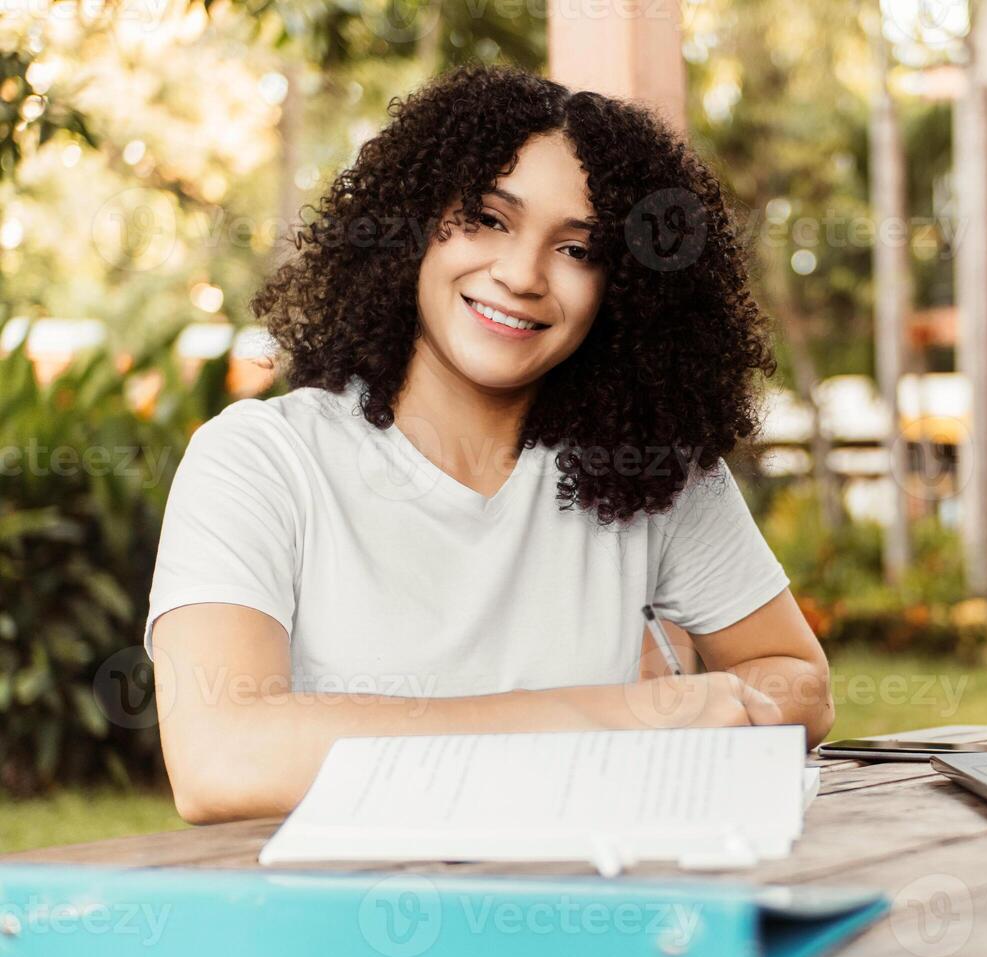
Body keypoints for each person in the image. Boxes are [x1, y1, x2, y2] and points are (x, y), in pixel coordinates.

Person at [146, 64, 834, 824]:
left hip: (593, 909)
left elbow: (799, 678)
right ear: (412, 225)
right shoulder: (261, 461)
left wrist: (722, 711)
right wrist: (617, 719)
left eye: (578, 250)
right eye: (487, 219)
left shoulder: (646, 465)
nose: (521, 274)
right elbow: (223, 760)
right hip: (336, 924)